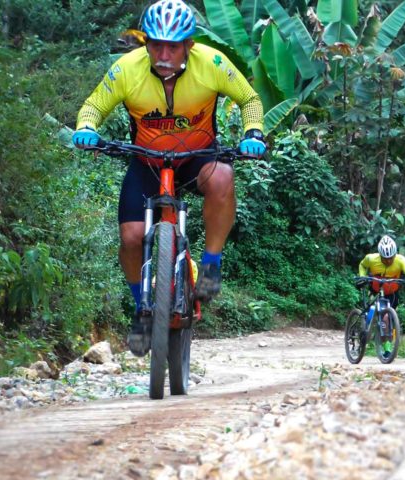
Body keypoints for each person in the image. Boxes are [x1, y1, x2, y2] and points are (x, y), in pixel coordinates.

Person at [72, 0, 265, 356]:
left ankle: (211, 264)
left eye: (172, 46)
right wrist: (86, 127)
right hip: (146, 162)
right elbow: (94, 105)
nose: (163, 53)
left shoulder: (214, 63)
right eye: (155, 44)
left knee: (223, 177)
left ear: (188, 46)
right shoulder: (125, 69)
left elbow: (249, 98)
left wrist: (253, 132)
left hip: (198, 158)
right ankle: (140, 308)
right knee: (130, 238)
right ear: (145, 43)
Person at [357, 235, 405, 353]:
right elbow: (362, 265)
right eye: (385, 258)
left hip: (392, 293)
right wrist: (362, 277)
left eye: (391, 258)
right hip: (375, 290)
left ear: (395, 254)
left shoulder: (400, 260)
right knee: (369, 311)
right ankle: (364, 327)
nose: (388, 260)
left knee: (386, 318)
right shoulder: (371, 259)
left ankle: (387, 348)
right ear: (380, 255)